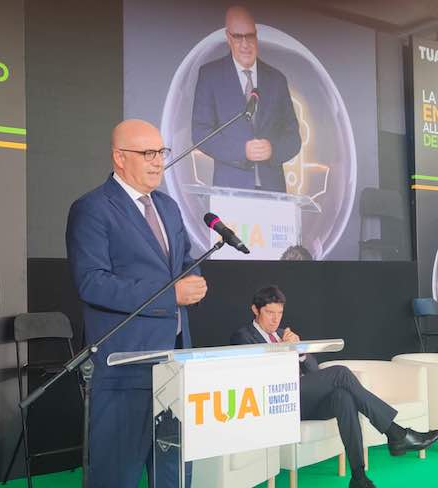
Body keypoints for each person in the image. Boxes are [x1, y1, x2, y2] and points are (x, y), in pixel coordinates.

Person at [66, 119, 207, 488]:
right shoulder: (93, 208)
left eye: (161, 151)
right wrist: (170, 294)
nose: (158, 161)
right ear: (119, 157)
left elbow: (182, 262)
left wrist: (193, 278)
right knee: (116, 476)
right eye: (147, 153)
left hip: (174, 366)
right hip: (125, 368)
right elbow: (92, 283)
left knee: (174, 475)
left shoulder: (169, 207)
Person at [230, 285, 438, 488]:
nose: (276, 319)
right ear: (255, 310)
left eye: (280, 313)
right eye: (269, 313)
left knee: (343, 397)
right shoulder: (243, 336)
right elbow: (257, 377)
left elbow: (313, 371)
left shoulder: (283, 334)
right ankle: (395, 433)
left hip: (302, 399)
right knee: (340, 373)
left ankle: (359, 477)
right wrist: (282, 351)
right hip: (276, 400)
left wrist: (300, 351)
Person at [192, 5, 301, 192]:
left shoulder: (277, 79)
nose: (245, 44)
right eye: (238, 37)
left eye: (249, 36)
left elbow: (293, 138)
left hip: (273, 191)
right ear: (228, 37)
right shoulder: (210, 75)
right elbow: (201, 133)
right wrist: (241, 151)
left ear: (256, 36)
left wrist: (273, 149)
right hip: (230, 189)